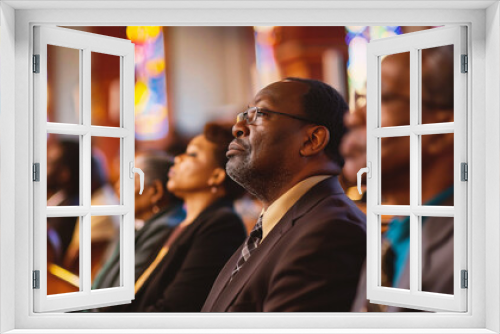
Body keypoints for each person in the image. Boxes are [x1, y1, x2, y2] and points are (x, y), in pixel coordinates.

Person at [202, 78, 366, 312]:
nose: (237, 127)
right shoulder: (275, 224)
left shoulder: (331, 232)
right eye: (244, 114)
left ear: (312, 140)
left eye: (259, 114)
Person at [341, 46, 455, 312]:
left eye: (383, 98)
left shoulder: (475, 252)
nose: (353, 115)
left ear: (442, 129)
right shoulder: (391, 238)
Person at [105, 122, 247, 312]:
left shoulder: (221, 225)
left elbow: (175, 309)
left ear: (215, 176)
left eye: (192, 154)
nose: (178, 158)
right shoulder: (183, 224)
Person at [91, 152, 185, 290]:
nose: (118, 187)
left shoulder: (164, 227)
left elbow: (120, 292)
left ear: (155, 191)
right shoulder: (133, 223)